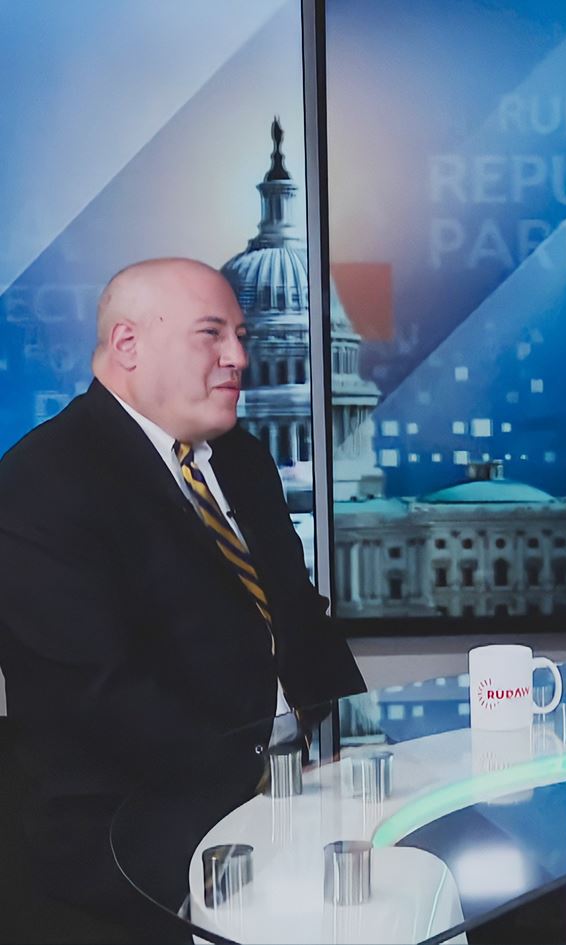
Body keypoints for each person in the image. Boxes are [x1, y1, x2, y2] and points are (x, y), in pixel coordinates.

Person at [0, 258, 365, 938]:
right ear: (128, 344)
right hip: (142, 839)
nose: (239, 358)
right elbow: (100, 694)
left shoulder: (243, 459)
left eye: (241, 336)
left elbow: (298, 617)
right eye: (211, 334)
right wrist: (264, 785)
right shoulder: (39, 481)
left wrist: (350, 747)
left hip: (292, 799)